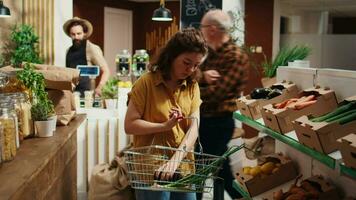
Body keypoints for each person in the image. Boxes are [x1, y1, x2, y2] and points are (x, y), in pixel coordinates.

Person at [124, 28, 208, 200]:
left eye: (196, 65)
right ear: (172, 55)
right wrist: (164, 126)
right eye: (186, 62)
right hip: (150, 170)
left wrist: (175, 161)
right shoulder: (145, 83)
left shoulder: (192, 85)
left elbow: (194, 127)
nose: (191, 69)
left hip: (184, 167)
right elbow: (130, 125)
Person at [197, 9, 249, 200]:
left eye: (202, 27)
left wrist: (191, 93)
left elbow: (216, 94)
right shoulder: (212, 53)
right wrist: (201, 78)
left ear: (211, 29)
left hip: (218, 123)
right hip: (206, 121)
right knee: (218, 171)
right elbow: (194, 76)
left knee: (202, 171)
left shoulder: (234, 56)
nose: (200, 31)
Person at [63, 17, 110, 96]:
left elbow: (106, 71)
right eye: (73, 34)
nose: (76, 37)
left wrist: (99, 88)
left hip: (88, 95)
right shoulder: (68, 51)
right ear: (70, 34)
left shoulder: (91, 48)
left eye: (79, 34)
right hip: (73, 94)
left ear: (84, 33)